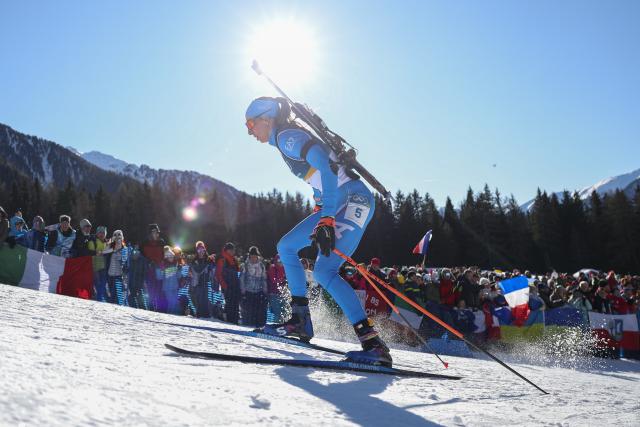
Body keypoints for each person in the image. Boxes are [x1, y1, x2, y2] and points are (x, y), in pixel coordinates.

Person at [245, 97, 391, 366]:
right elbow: (320, 176)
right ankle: (300, 320)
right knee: (287, 247)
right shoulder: (284, 139)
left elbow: (326, 167)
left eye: (251, 124)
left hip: (352, 199)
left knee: (325, 270)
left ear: (267, 119)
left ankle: (373, 345)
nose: (250, 131)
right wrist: (321, 205)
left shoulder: (287, 137)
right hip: (340, 201)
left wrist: (326, 219)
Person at [240, 246, 268, 327]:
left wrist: (265, 291)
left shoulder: (261, 266)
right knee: (248, 310)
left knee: (257, 311)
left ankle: (256, 325)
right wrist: (243, 291)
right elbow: (242, 278)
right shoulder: (245, 265)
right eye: (252, 256)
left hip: (258, 291)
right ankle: (247, 324)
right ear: (249, 256)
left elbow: (264, 279)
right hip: (248, 291)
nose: (253, 258)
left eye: (255, 256)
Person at [142, 224, 166, 311]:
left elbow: (164, 255)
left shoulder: (161, 242)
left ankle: (160, 309)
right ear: (150, 233)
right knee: (151, 289)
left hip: (159, 268)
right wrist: (149, 262)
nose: (156, 234)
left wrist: (162, 264)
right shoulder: (145, 243)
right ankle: (151, 308)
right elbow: (144, 255)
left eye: (157, 232)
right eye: (153, 232)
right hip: (150, 269)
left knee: (159, 288)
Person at [216, 242, 241, 324]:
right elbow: (218, 274)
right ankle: (230, 323)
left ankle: (234, 321)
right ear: (228, 250)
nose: (234, 251)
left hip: (235, 287)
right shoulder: (222, 259)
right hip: (227, 287)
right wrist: (225, 286)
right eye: (232, 250)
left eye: (234, 250)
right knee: (229, 306)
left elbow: (237, 272)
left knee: (235, 305)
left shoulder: (234, 260)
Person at [103, 230, 129, 305]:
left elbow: (124, 261)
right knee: (111, 294)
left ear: (122, 237)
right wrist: (112, 248)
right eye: (115, 235)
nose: (117, 237)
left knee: (117, 296)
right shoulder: (110, 246)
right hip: (110, 274)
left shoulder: (125, 249)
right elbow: (104, 251)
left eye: (119, 235)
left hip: (119, 275)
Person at [190, 241, 214, 318]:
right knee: (198, 300)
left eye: (202, 250)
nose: (201, 252)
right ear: (197, 251)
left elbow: (213, 269)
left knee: (206, 300)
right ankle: (198, 314)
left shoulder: (208, 259)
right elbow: (195, 270)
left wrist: (212, 262)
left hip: (206, 283)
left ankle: (206, 315)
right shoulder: (195, 260)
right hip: (197, 283)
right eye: (199, 250)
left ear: (204, 250)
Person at [88, 226, 109, 302]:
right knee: (97, 283)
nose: (102, 234)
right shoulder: (93, 240)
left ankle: (100, 299)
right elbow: (90, 251)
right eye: (100, 232)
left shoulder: (107, 242)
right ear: (97, 233)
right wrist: (97, 252)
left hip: (104, 266)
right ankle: (98, 299)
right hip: (95, 266)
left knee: (103, 284)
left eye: (103, 233)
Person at [267, 254, 288, 323]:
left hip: (283, 294)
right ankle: (276, 326)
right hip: (274, 294)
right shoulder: (272, 268)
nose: (280, 262)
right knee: (277, 312)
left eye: (282, 260)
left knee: (284, 312)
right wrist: (283, 280)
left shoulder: (285, 269)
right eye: (279, 260)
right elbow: (273, 280)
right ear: (276, 260)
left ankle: (282, 326)